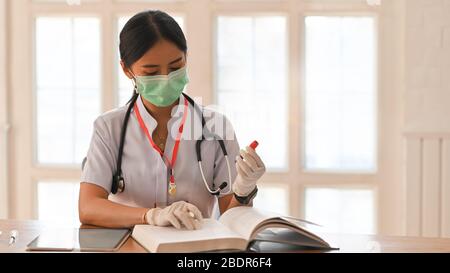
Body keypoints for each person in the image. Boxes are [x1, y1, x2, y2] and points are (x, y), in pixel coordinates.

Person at [78, 10, 265, 230]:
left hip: (193, 251)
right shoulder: (109, 128)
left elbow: (232, 220)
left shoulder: (216, 127)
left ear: (186, 58)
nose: (166, 78)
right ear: (127, 70)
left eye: (175, 67)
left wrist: (244, 190)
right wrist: (150, 216)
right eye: (151, 72)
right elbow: (88, 207)